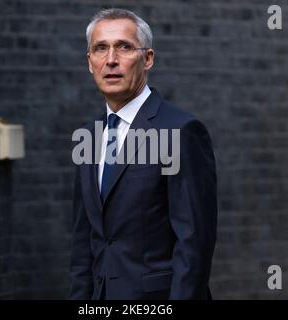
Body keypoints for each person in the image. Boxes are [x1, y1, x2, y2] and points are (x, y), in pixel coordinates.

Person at [69, 8, 217, 300]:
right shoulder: (87, 136)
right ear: (90, 62)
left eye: (124, 47)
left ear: (147, 58)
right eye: (101, 48)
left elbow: (194, 245)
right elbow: (83, 242)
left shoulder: (181, 131)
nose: (111, 60)